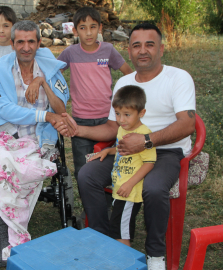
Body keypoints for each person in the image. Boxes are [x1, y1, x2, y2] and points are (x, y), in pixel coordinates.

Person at [54, 23, 196, 270]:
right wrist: (77, 130)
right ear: (128, 51)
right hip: (127, 150)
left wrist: (147, 141)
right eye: (136, 45)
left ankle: (155, 256)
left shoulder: (178, 77)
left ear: (161, 49)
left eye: (149, 44)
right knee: (87, 174)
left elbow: (188, 124)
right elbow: (112, 127)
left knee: (152, 187)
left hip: (165, 151)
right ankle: (101, 240)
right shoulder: (124, 82)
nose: (143, 51)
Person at [0, 20, 74, 265]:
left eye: (31, 41)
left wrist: (42, 82)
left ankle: (11, 232)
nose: (26, 47)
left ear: (39, 43)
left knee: (27, 169)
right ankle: (8, 235)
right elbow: (4, 109)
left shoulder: (50, 69)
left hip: (37, 137)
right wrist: (46, 115)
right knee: (1, 165)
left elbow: (61, 110)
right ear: (12, 44)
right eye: (20, 41)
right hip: (3, 133)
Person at [57, 7, 133, 179]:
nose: (88, 32)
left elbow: (129, 74)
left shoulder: (108, 50)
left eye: (93, 27)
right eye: (82, 28)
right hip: (81, 119)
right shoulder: (70, 53)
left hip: (108, 118)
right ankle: (89, 204)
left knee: (109, 165)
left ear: (100, 28)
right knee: (83, 169)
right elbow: (53, 75)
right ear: (75, 31)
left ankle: (106, 203)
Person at [88, 85, 156, 247]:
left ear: (141, 113)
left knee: (121, 231)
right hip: (120, 189)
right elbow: (121, 148)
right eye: (117, 114)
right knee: (117, 227)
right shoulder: (122, 130)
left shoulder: (143, 136)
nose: (121, 120)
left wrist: (129, 184)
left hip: (129, 192)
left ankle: (124, 262)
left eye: (127, 115)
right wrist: (108, 151)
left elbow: (149, 163)